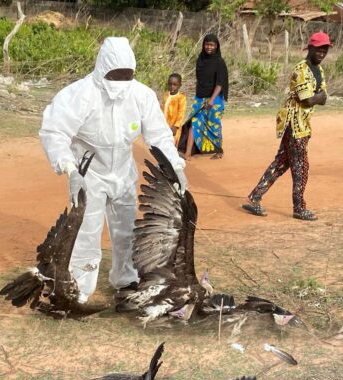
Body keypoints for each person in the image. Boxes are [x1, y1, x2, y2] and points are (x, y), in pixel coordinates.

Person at [39, 36, 188, 302]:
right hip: (89, 174)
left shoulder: (141, 95)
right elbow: (54, 132)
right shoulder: (79, 95)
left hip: (123, 172)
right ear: (102, 69)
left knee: (126, 230)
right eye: (115, 75)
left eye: (126, 75)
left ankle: (126, 281)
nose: (120, 81)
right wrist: (70, 169)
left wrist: (175, 166)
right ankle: (80, 288)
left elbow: (158, 135)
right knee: (87, 232)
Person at [242, 32, 331, 222]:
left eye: (325, 50)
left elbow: (322, 97)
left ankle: (254, 198)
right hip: (295, 125)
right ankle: (299, 207)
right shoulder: (301, 70)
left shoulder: (319, 70)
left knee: (281, 163)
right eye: (319, 49)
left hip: (303, 124)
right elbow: (307, 100)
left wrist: (317, 97)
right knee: (301, 167)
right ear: (310, 48)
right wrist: (318, 97)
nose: (322, 53)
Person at [182, 34, 229, 160]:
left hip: (215, 99)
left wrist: (211, 99)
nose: (209, 47)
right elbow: (200, 80)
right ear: (203, 45)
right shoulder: (200, 59)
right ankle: (187, 153)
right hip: (200, 97)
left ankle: (219, 150)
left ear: (216, 46)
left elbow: (220, 83)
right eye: (207, 44)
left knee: (213, 125)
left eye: (212, 45)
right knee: (194, 122)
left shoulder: (219, 62)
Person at [161, 73, 187, 147]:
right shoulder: (166, 95)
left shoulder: (181, 97)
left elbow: (181, 113)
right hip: (164, 125)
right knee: (162, 144)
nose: (172, 86)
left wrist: (175, 126)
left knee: (172, 145)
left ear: (180, 85)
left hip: (173, 128)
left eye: (175, 85)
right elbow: (162, 108)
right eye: (170, 84)